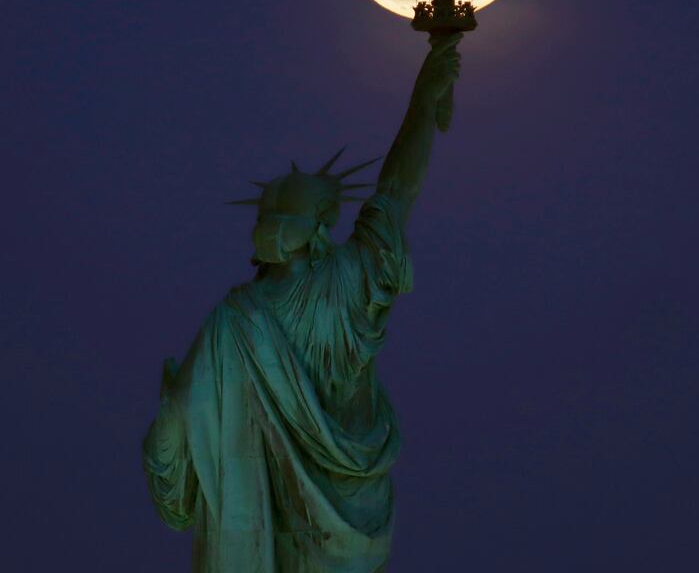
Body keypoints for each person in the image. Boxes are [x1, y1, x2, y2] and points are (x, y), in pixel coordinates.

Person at [142, 34, 461, 572]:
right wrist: (424, 98)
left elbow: (171, 433)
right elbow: (397, 189)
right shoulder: (348, 281)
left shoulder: (232, 323)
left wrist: (174, 418)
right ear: (319, 230)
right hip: (354, 519)